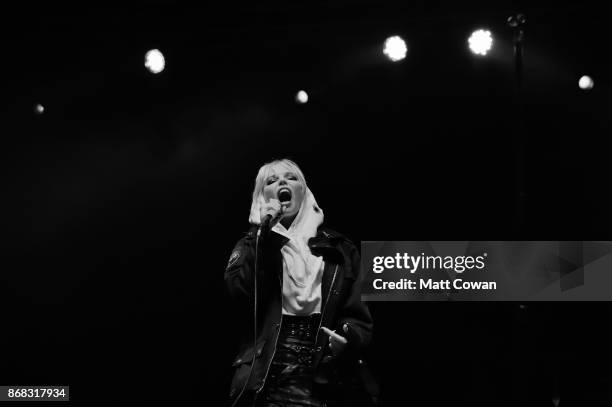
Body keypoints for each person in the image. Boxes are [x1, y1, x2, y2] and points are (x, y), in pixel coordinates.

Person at [224, 159, 375, 407]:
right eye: (271, 181)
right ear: (262, 196)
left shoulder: (340, 248)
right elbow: (240, 296)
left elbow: (358, 313)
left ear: (303, 190)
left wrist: (348, 338)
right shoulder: (251, 246)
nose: (282, 182)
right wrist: (264, 241)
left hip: (323, 370)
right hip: (267, 369)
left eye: (291, 177)